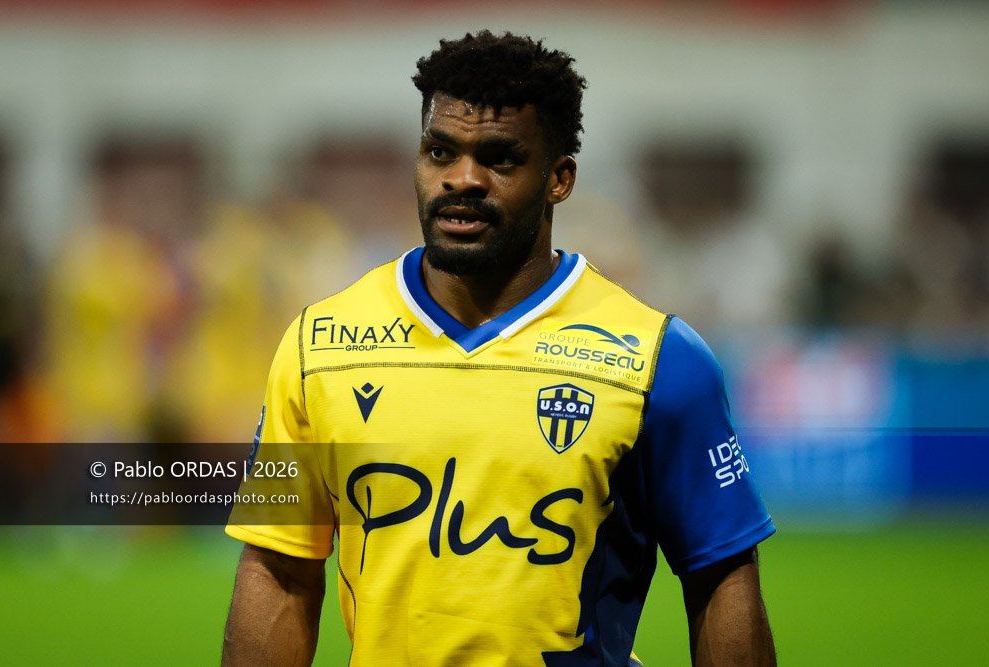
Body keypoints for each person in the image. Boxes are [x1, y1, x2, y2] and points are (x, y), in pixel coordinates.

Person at [223, 30, 776, 667]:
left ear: (559, 179)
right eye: (440, 151)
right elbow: (279, 565)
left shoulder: (659, 359)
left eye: (500, 158)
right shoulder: (318, 347)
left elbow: (720, 576)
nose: (463, 179)